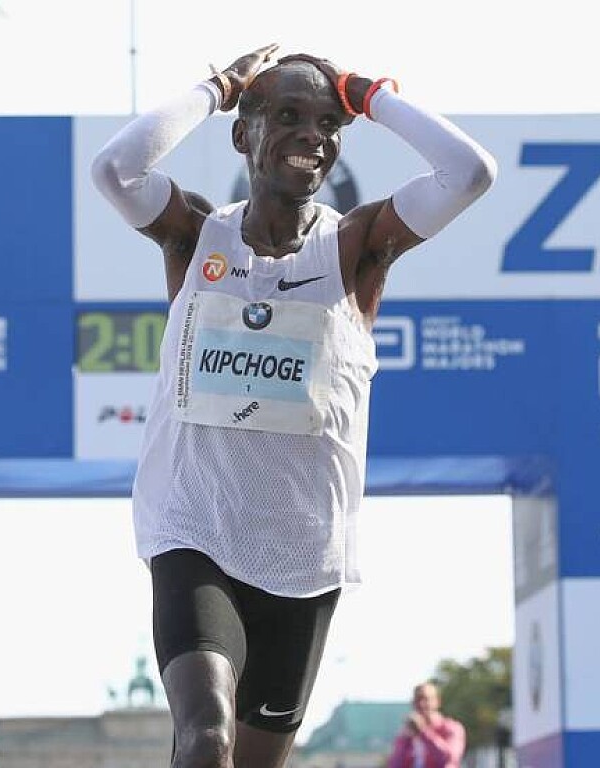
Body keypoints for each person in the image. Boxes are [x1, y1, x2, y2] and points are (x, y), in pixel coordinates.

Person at [91, 43, 496, 768]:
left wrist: (368, 95)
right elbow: (115, 170)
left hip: (304, 554)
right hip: (195, 530)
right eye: (286, 116)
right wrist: (219, 85)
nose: (312, 134)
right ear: (242, 134)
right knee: (206, 736)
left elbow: (469, 173)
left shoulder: (355, 246)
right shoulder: (196, 234)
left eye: (328, 124)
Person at [388, 681, 466, 768]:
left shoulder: (452, 728)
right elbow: (395, 764)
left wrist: (423, 731)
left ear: (437, 701)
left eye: (426, 699)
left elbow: (449, 758)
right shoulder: (407, 734)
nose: (421, 704)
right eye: (417, 700)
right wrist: (404, 739)